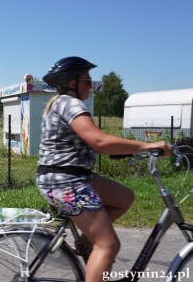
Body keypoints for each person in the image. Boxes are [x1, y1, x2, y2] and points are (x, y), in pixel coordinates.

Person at [35, 56, 172, 282]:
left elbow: (90, 143)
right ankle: (97, 245)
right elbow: (98, 141)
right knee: (108, 245)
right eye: (87, 80)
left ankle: (88, 241)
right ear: (72, 82)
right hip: (65, 182)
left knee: (124, 197)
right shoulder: (70, 103)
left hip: (71, 177)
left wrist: (126, 150)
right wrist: (148, 144)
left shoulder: (62, 103)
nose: (91, 85)